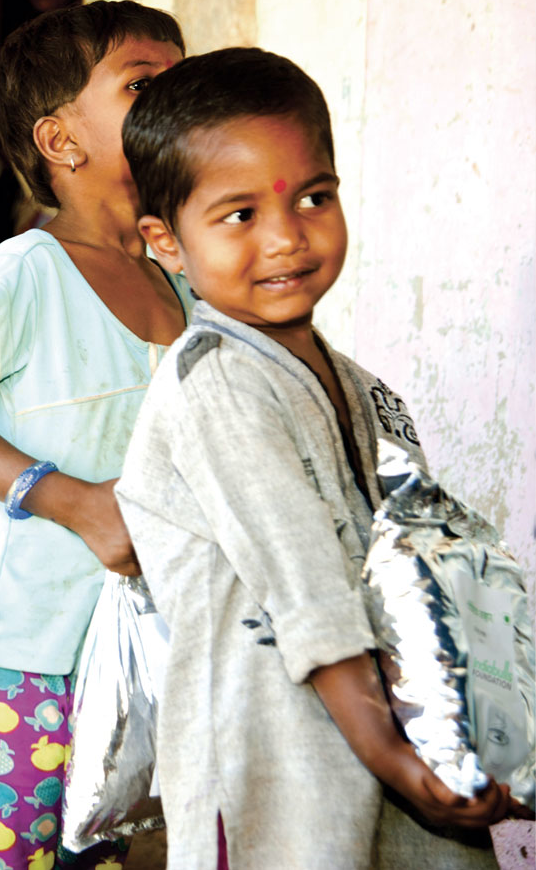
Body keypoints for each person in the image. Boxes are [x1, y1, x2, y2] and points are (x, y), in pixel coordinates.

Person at [114, 47, 524, 869]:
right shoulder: (216, 384)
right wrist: (398, 759)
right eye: (239, 215)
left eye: (313, 197)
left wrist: (469, 733)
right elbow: (307, 589)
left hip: (401, 738)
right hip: (277, 763)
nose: (286, 238)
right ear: (164, 240)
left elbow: (421, 569)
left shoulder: (357, 384)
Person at [0, 1, 190, 869]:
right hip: (36, 650)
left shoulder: (181, 278)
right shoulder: (31, 270)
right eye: (146, 86)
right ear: (60, 141)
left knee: (136, 845)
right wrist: (71, 502)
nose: (177, 104)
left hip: (163, 638)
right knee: (21, 853)